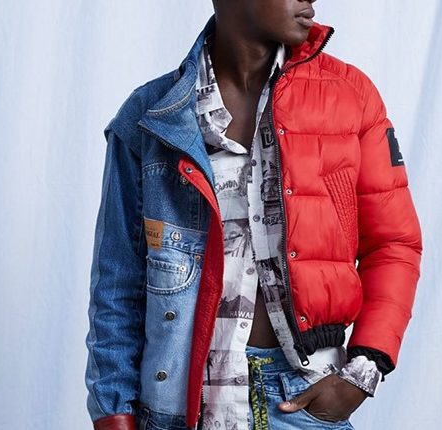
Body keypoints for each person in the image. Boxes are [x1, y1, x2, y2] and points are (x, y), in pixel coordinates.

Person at [84, 1, 423, 429]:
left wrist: (364, 369)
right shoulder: (151, 116)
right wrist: (113, 413)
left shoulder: (350, 96)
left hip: (302, 398)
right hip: (178, 407)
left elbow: (393, 245)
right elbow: (118, 281)